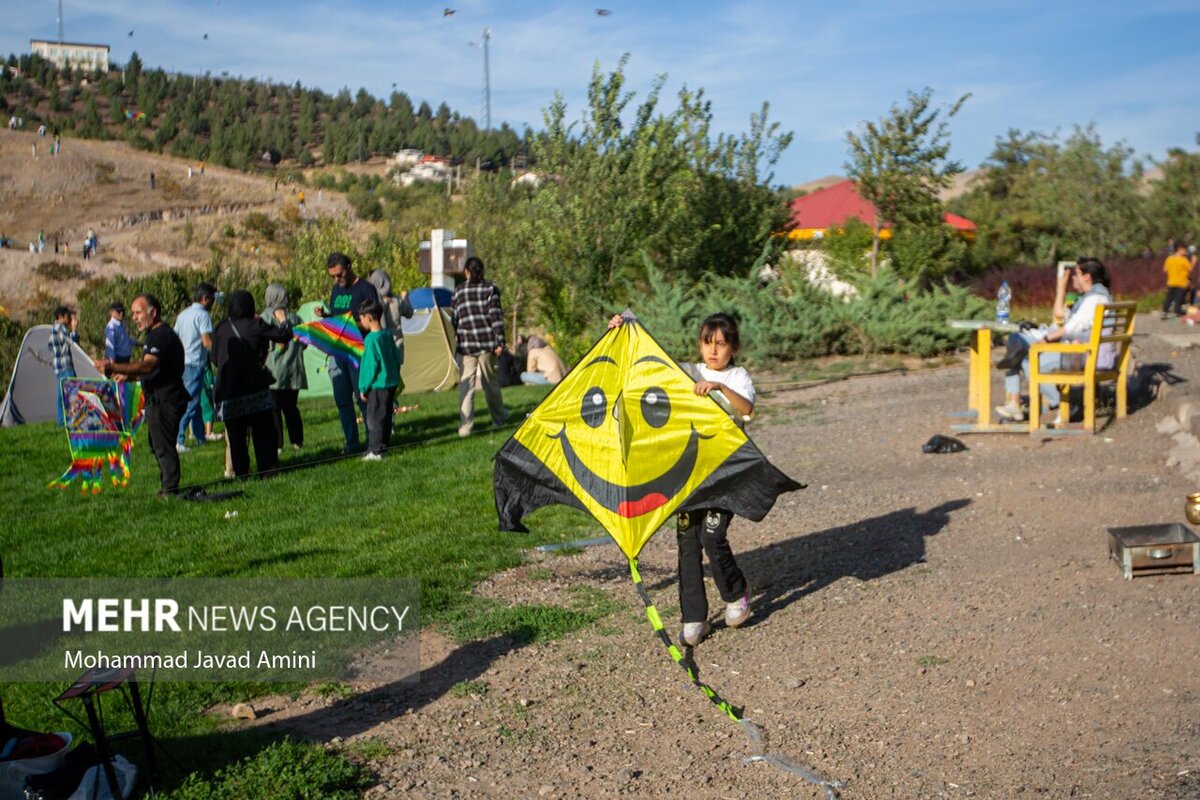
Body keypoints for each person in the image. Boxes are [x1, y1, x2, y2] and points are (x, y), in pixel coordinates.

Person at [608, 311, 756, 647]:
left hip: (725, 474)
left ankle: (736, 594)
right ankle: (694, 618)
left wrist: (719, 387)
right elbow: (651, 362)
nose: (713, 351)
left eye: (721, 344)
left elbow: (747, 409)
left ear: (733, 347)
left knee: (712, 536)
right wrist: (626, 328)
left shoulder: (738, 377)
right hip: (688, 475)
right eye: (707, 343)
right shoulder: (688, 372)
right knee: (687, 541)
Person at [995, 258, 1114, 426]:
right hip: (1083, 350)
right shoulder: (1094, 296)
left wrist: (1046, 339)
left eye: (1076, 274)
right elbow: (1060, 315)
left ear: (1087, 277)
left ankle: (1061, 403)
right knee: (1021, 352)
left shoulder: (1095, 299)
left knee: (1026, 358)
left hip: (1085, 355)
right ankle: (1016, 403)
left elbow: (1072, 327)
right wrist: (1061, 287)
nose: (1073, 277)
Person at [97, 294, 188, 496]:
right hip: (160, 399)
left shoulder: (160, 336)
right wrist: (127, 375)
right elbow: (151, 370)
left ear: (153, 313)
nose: (135, 318)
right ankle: (167, 486)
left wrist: (112, 366)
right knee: (157, 444)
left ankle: (170, 490)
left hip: (166, 400)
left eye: (138, 313)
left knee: (163, 446)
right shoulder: (154, 336)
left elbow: (148, 365)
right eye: (133, 314)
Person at [211, 290, 293, 478]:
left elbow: (215, 359)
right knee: (264, 431)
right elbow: (285, 335)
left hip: (228, 391)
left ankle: (242, 474)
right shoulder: (256, 324)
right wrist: (282, 319)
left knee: (236, 437)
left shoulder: (221, 328)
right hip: (254, 388)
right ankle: (267, 470)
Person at [315, 252, 379, 453]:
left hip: (357, 352)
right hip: (337, 353)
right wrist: (327, 316)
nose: (336, 279)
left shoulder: (366, 289)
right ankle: (352, 444)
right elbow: (337, 316)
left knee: (363, 400)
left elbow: (374, 320)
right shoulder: (336, 290)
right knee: (342, 401)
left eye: (339, 275)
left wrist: (351, 325)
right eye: (332, 276)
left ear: (349, 267)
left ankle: (372, 442)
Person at [451, 256, 508, 436]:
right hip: (487, 344)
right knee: (490, 383)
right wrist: (500, 341)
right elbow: (496, 317)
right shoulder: (490, 289)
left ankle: (465, 427)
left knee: (466, 386)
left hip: (466, 345)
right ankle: (499, 418)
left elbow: (454, 318)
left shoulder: (458, 291)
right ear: (482, 271)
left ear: (466, 272)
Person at [262, 283, 306, 450]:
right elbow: (305, 344)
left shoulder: (265, 318)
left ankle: (278, 444)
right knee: (291, 408)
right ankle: (297, 441)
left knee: (274, 410)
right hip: (294, 371)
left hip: (273, 371)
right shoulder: (296, 318)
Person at [357, 298, 402, 461]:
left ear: (368, 317)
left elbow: (370, 366)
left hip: (377, 385)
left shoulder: (371, 339)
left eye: (361, 318)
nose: (360, 322)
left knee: (374, 418)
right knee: (385, 416)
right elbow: (397, 358)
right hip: (390, 383)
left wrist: (363, 387)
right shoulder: (388, 335)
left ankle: (375, 451)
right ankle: (383, 448)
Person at [174, 282, 216, 451]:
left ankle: (200, 437)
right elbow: (206, 341)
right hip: (195, 363)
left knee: (195, 401)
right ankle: (178, 439)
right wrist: (219, 353)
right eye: (212, 299)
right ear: (205, 299)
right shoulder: (203, 315)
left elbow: (175, 337)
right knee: (190, 403)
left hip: (183, 363)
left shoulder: (183, 315)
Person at [366, 269, 414, 366]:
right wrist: (406, 298)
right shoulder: (397, 300)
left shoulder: (371, 302)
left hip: (380, 345)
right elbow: (409, 313)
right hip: (397, 345)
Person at [49, 306, 79, 426]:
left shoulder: (52, 330)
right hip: (65, 366)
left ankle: (62, 421)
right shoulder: (60, 328)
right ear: (61, 317)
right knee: (72, 393)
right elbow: (71, 342)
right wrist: (74, 329)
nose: (69, 318)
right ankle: (72, 420)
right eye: (67, 316)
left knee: (61, 395)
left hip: (58, 368)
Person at [1163, 241, 1196, 319]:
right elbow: (1190, 269)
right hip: (1181, 283)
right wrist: (1194, 261)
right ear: (1180, 249)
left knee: (1169, 298)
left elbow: (1165, 270)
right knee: (1179, 299)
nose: (1185, 252)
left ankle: (1164, 312)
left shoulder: (1169, 259)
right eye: (1184, 250)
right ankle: (1178, 311)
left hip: (1171, 282)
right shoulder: (1184, 260)